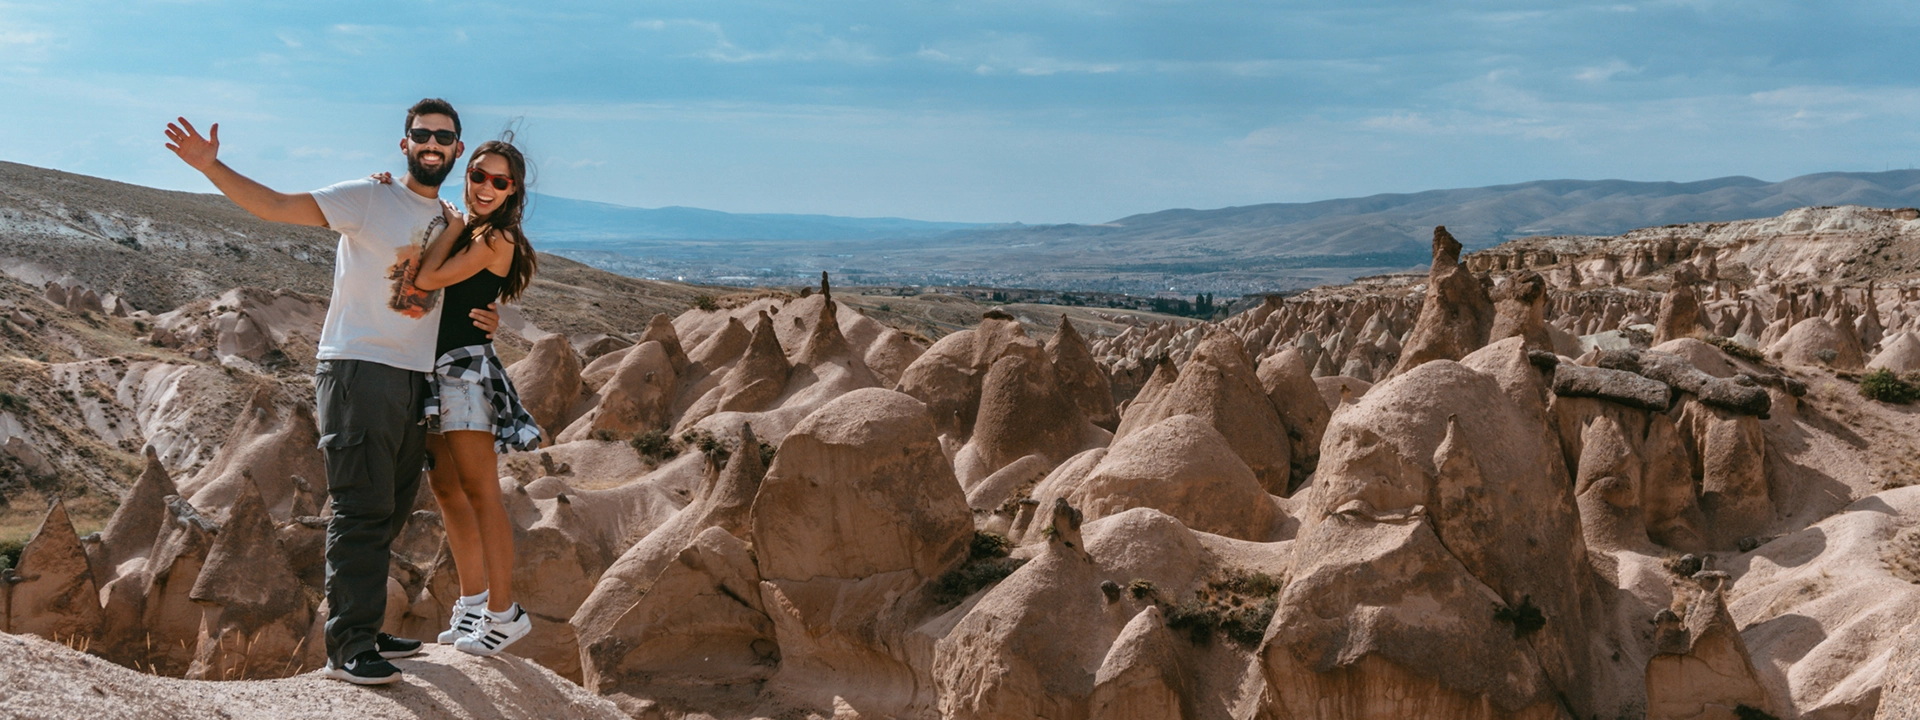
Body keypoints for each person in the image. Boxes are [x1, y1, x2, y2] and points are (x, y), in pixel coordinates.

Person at [163, 99, 501, 685]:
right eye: (422, 134)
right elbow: (274, 206)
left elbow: (470, 278)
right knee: (361, 507)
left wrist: (488, 317)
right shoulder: (369, 198)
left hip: (411, 374)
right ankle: (347, 646)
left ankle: (365, 627)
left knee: (392, 504)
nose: (432, 143)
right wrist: (210, 167)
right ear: (404, 144)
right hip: (358, 367)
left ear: (456, 148)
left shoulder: (449, 216)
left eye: (443, 137)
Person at [403, 138, 543, 656]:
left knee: (482, 491)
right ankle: (472, 604)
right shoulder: (478, 231)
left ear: (513, 190)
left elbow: (428, 277)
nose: (485, 187)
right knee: (446, 488)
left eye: (499, 181)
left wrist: (457, 224)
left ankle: (505, 615)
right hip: (437, 370)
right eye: (479, 175)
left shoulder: (493, 235)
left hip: (463, 372)